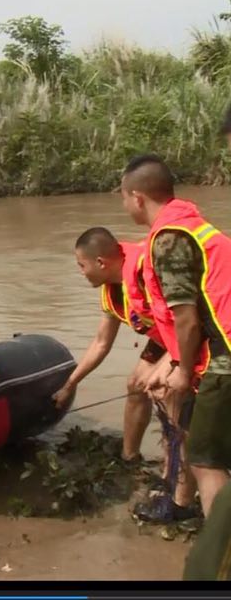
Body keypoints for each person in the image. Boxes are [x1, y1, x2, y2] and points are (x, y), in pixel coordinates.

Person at [53, 227, 198, 522]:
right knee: (135, 384)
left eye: (81, 266)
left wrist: (169, 367)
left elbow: (190, 323)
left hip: (193, 334)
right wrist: (70, 384)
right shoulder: (112, 290)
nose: (80, 273)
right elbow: (101, 343)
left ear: (101, 263)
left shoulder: (150, 273)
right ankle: (130, 458)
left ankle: (176, 491)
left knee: (170, 398)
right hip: (165, 337)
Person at [121, 153, 231, 517]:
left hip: (225, 354)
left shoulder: (168, 240)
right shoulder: (193, 225)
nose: (125, 206)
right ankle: (182, 505)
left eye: (123, 197)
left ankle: (218, 553)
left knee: (206, 460)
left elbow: (186, 318)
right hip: (218, 348)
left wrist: (181, 370)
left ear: (137, 197)